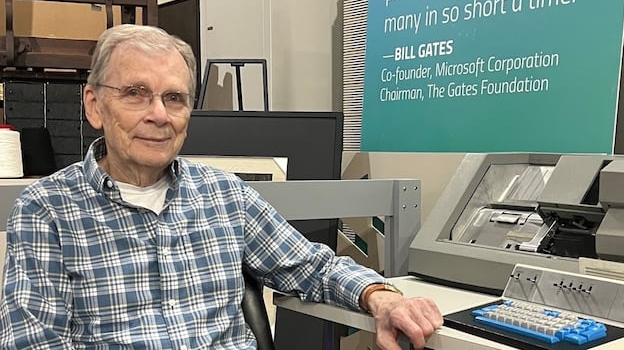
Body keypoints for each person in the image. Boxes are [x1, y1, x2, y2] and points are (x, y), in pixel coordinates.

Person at [0, 24, 443, 349]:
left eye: (174, 98)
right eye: (136, 93)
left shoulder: (225, 196)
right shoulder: (48, 210)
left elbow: (314, 267)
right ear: (95, 105)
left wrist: (381, 297)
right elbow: (33, 342)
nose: (159, 114)